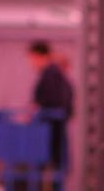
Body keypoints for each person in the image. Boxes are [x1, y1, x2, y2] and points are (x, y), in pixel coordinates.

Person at [28, 40, 74, 170]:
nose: (31, 63)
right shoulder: (52, 75)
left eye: (32, 58)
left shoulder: (51, 75)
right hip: (52, 130)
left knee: (50, 169)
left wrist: (35, 111)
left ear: (38, 56)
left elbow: (50, 101)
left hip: (50, 131)